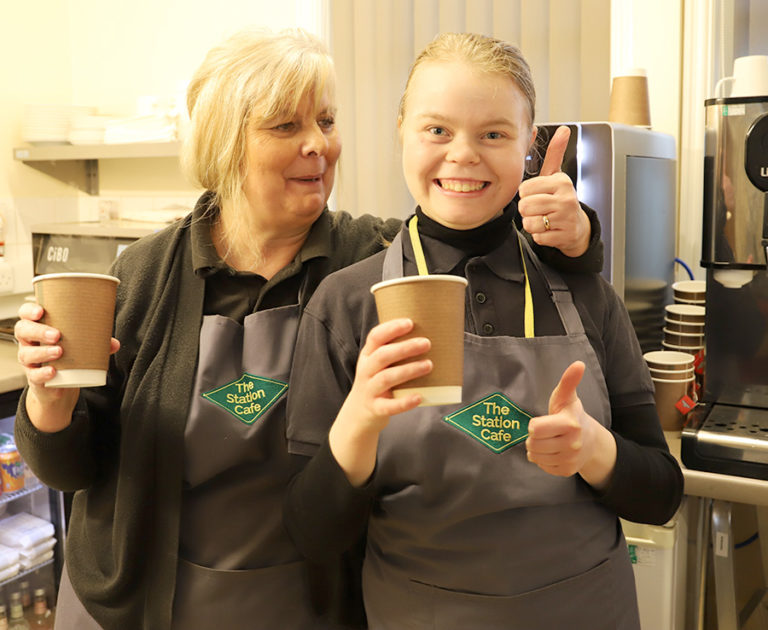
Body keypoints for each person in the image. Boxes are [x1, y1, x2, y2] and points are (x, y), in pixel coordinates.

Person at [14, 29, 601, 630]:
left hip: (307, 604)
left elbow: (479, 242)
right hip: (140, 602)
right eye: (285, 127)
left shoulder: (373, 260)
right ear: (226, 143)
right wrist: (49, 404)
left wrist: (577, 237)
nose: (318, 145)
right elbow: (71, 470)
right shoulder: (143, 276)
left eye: (325, 121)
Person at [284, 32, 684, 630]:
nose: (463, 155)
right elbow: (312, 535)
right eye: (437, 130)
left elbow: (661, 496)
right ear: (401, 131)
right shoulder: (345, 305)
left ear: (529, 144)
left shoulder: (586, 294)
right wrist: (360, 422)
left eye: (494, 133)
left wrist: (594, 451)